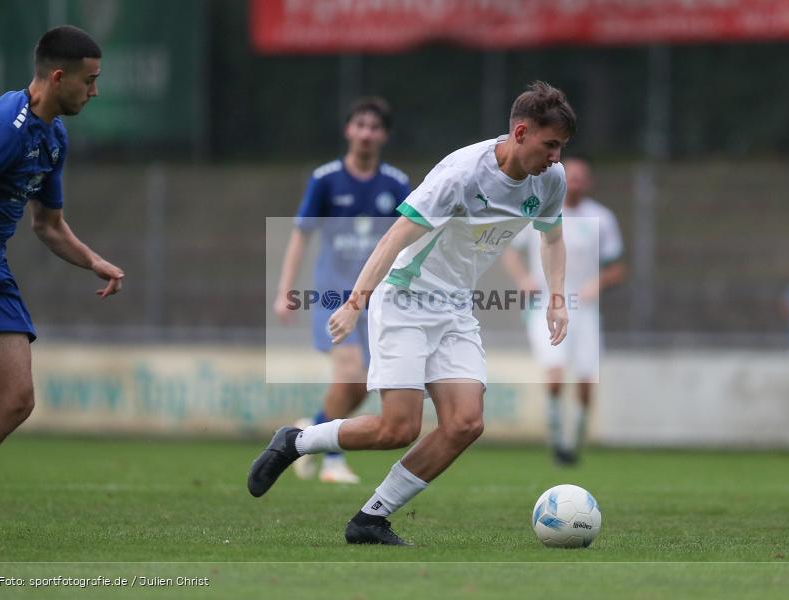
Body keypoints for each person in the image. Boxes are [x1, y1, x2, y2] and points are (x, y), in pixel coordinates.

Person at [249, 81, 575, 546]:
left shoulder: (550, 180)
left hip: (457, 307)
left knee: (465, 423)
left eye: (561, 147)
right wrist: (356, 301)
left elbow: (552, 236)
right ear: (521, 132)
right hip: (405, 299)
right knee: (396, 429)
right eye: (551, 145)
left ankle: (371, 518)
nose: (557, 157)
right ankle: (296, 442)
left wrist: (557, 298)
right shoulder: (462, 174)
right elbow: (396, 236)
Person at [0, 26, 124, 462]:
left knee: (16, 398)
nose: (95, 91)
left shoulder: (53, 137)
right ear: (59, 77)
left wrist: (93, 260)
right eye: (90, 80)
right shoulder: (5, 127)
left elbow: (47, 224)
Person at [272, 97, 409, 484]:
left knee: (365, 381)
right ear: (348, 130)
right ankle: (332, 461)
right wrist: (285, 290)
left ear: (384, 135)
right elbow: (301, 236)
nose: (366, 133)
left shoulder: (396, 184)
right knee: (350, 371)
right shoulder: (326, 179)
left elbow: (410, 238)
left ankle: (307, 431)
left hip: (377, 298)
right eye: (359, 125)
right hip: (332, 294)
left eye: (374, 127)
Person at [502, 158, 624, 466]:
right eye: (573, 177)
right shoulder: (539, 210)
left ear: (590, 182)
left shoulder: (602, 218)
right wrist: (523, 280)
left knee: (585, 384)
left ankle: (574, 444)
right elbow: (512, 254)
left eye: (583, 177)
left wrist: (598, 283)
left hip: (584, 310)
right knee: (555, 376)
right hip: (546, 305)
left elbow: (617, 268)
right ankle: (557, 443)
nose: (577, 182)